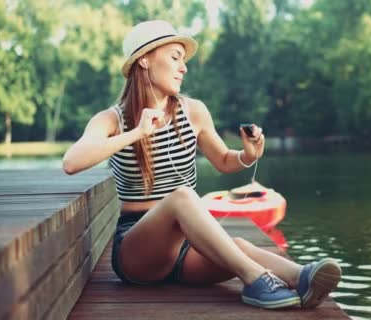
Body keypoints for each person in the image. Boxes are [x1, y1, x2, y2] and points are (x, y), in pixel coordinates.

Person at [62, 20, 341, 309]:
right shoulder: (111, 119)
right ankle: (256, 280)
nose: (184, 68)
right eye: (174, 58)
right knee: (183, 197)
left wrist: (247, 155)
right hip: (138, 253)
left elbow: (223, 160)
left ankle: (303, 278)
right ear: (144, 60)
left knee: (239, 247)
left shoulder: (193, 111)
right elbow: (72, 162)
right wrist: (137, 133)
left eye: (183, 61)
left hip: (185, 251)